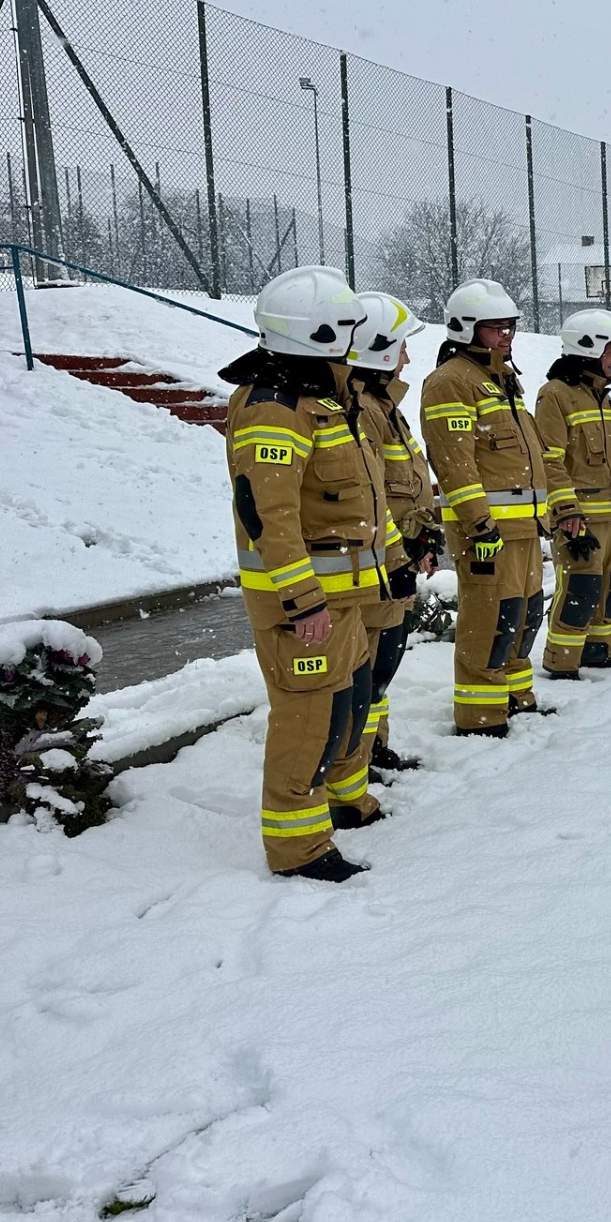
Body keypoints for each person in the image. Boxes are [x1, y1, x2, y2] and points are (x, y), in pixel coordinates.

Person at [218, 266, 378, 882]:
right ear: (321, 333)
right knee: (306, 724)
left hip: (343, 599)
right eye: (347, 329)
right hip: (304, 609)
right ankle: (298, 850)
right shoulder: (275, 410)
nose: (355, 340)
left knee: (338, 715)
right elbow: (269, 515)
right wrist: (303, 599)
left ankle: (323, 825)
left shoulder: (321, 397)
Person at [422, 279, 562, 737]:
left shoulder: (501, 377)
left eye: (510, 327)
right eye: (495, 328)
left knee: (523, 615)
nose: (506, 336)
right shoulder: (450, 383)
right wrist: (479, 524)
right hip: (487, 531)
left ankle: (515, 696)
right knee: (489, 621)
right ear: (466, 329)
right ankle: (480, 716)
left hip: (523, 527)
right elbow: (454, 462)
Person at [346, 291, 438, 781]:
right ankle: (355, 762)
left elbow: (404, 484)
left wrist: (422, 537)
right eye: (401, 346)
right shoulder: (364, 409)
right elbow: (372, 496)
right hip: (378, 557)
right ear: (378, 350)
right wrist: (400, 553)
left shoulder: (383, 405)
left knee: (384, 658)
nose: (408, 356)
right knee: (374, 661)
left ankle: (372, 748)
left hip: (396, 551)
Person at [536, 310, 611, 679]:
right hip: (579, 518)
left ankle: (597, 653)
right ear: (590, 348)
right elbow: (549, 459)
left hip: (610, 519)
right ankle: (562, 662)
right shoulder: (555, 396)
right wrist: (566, 511)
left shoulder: (603, 399)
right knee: (580, 590)